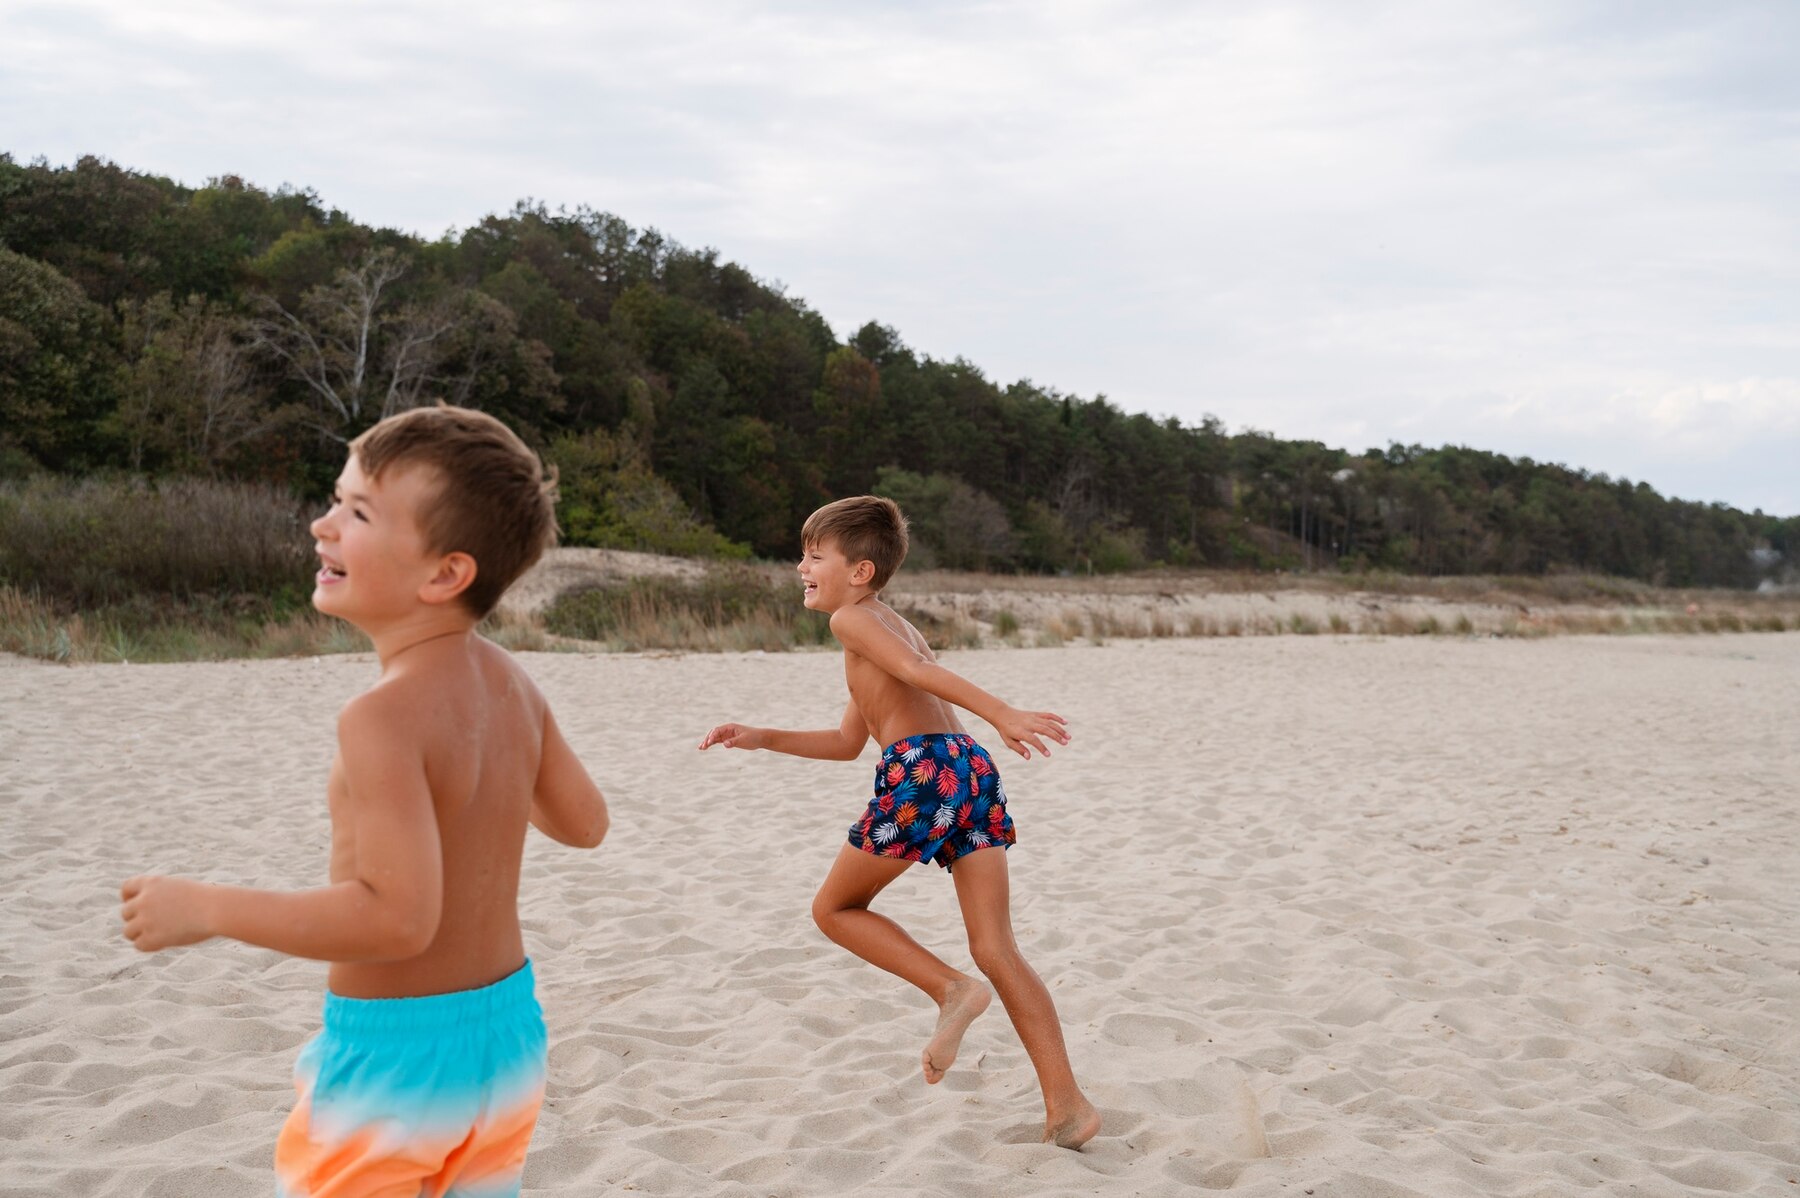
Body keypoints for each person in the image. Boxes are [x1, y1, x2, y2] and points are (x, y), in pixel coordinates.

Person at [119, 404, 610, 1197]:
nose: (322, 525)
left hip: (393, 1062)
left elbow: (395, 919)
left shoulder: (378, 717)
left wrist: (206, 906)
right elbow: (586, 824)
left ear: (445, 574)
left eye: (356, 512)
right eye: (335, 499)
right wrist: (484, 774)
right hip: (507, 1042)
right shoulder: (514, 685)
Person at [698, 495, 1100, 1149]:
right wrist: (760, 735)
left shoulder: (852, 622)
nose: (800, 565)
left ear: (858, 571)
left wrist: (1003, 710)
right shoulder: (887, 625)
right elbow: (845, 739)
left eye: (814, 555)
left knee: (835, 910)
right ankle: (1068, 1106)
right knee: (998, 948)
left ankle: (949, 990)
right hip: (969, 769)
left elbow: (922, 673)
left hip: (923, 773)